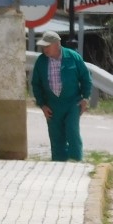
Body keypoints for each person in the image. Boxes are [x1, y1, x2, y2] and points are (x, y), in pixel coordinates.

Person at [30, 30, 93, 162]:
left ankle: (76, 162)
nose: (44, 49)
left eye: (47, 46)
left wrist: (85, 98)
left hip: (72, 103)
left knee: (72, 132)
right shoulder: (41, 61)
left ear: (57, 44)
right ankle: (59, 166)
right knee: (56, 136)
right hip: (52, 105)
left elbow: (86, 78)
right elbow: (36, 84)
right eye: (43, 46)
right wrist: (42, 105)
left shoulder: (73, 57)